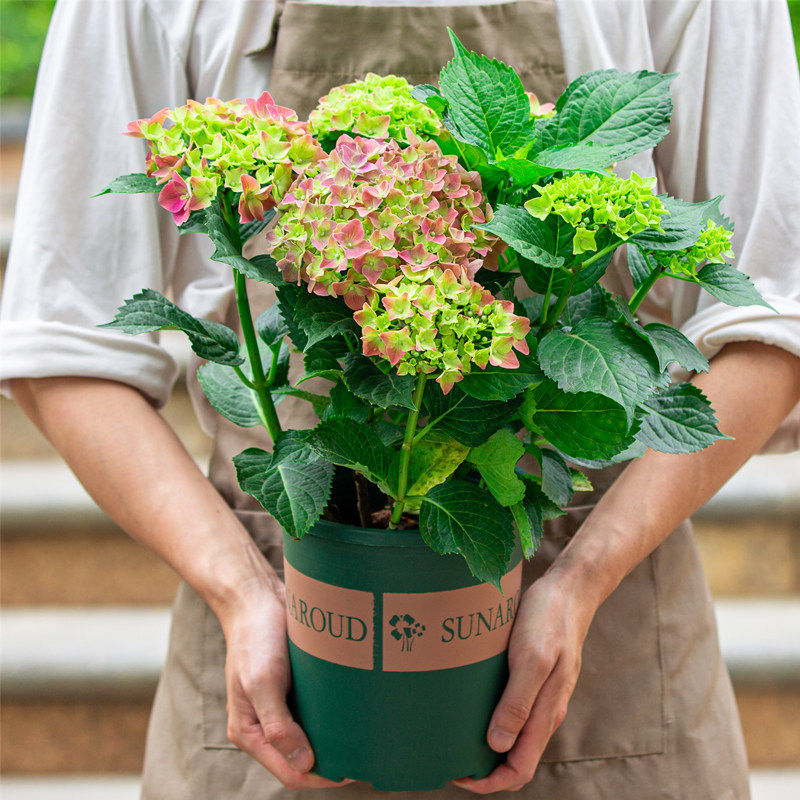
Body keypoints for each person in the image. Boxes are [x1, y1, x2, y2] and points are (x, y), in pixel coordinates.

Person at [3, 0, 800, 798]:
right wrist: (239, 590)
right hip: (287, 630)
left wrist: (583, 580)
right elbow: (60, 343)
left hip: (603, 622)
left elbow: (775, 317)